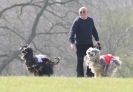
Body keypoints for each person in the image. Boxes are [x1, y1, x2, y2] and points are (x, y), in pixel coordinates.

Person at [69, 7, 100, 77]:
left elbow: (94, 31)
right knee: (80, 61)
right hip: (79, 45)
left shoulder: (90, 20)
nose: (82, 13)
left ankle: (90, 75)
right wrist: (72, 42)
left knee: (90, 61)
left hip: (89, 45)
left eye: (84, 12)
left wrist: (97, 40)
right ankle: (80, 76)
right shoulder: (77, 21)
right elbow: (72, 32)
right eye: (81, 12)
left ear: (87, 13)